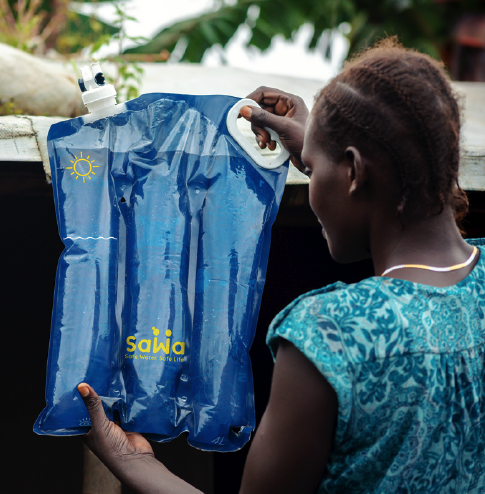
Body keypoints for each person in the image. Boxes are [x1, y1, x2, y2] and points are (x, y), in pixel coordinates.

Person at [76, 39, 485, 493]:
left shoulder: (331, 335)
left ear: (354, 171)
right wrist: (324, 149)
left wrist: (135, 463)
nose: (310, 186)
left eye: (310, 166)